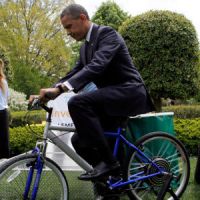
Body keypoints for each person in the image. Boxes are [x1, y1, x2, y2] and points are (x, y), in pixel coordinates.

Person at [29, 2, 155, 193]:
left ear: (82, 18)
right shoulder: (84, 48)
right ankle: (110, 183)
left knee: (78, 102)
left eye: (69, 26)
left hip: (129, 92)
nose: (68, 33)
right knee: (79, 140)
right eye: (65, 29)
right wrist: (51, 89)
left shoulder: (107, 34)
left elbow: (97, 65)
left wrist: (61, 89)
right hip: (110, 98)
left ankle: (110, 164)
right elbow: (76, 71)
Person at [0, 59, 10, 159]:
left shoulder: (3, 82)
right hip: (3, 113)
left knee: (3, 142)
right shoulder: (3, 81)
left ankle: (4, 168)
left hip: (2, 113)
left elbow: (6, 98)